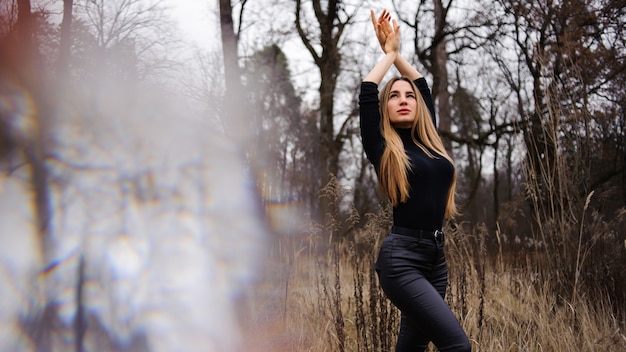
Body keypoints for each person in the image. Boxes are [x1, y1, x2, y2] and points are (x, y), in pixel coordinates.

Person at [358, 9, 471, 352]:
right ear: (385, 108)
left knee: (411, 348)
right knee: (457, 346)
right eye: (394, 96)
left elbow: (421, 84)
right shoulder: (382, 147)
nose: (404, 100)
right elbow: (367, 89)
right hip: (401, 260)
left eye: (409, 97)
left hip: (436, 259)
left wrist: (398, 52)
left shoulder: (430, 142)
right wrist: (388, 54)